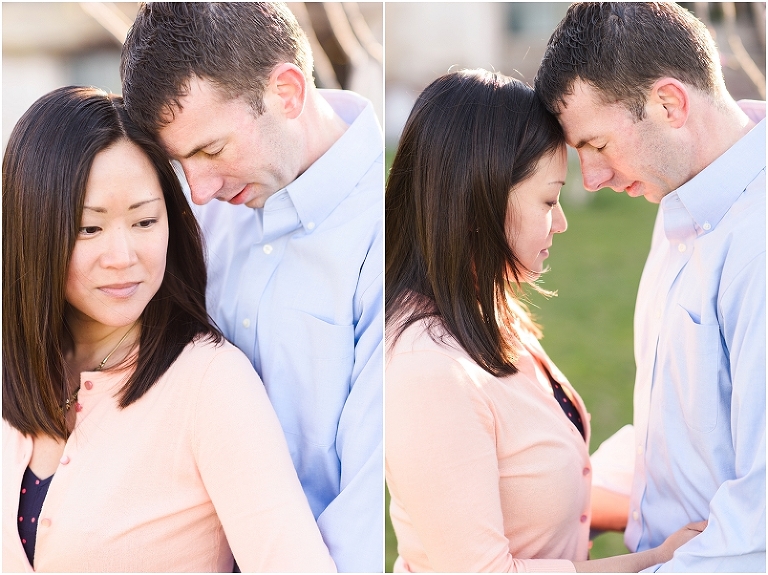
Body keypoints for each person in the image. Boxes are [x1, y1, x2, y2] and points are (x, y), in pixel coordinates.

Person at [2, 86, 335, 573]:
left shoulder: (210, 384)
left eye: (144, 221)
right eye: (88, 228)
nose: (123, 258)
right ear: (34, 229)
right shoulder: (13, 366)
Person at [385, 68, 704, 573]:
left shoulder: (486, 309)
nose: (562, 221)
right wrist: (654, 562)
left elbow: (526, 480)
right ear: (481, 197)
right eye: (549, 199)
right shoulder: (427, 369)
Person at [119, 5, 383, 570]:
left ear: (287, 92)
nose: (200, 188)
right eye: (180, 163)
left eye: (211, 151)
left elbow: (363, 519)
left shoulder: (389, 243)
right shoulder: (199, 210)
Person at [535, 2, 765, 571]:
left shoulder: (757, 245)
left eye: (597, 145)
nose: (592, 178)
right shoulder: (682, 203)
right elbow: (685, 424)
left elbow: (759, 520)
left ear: (669, 104)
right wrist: (566, 507)